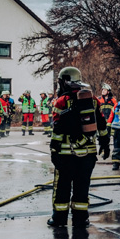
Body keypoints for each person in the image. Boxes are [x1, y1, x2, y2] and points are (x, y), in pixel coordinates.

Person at [48, 67, 110, 228]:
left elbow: (57, 128)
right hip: (88, 155)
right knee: (82, 187)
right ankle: (81, 219)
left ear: (64, 81)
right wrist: (105, 143)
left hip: (66, 155)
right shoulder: (93, 100)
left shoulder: (61, 102)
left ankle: (59, 219)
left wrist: (54, 150)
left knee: (62, 187)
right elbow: (102, 124)